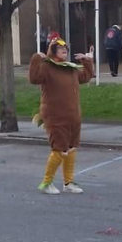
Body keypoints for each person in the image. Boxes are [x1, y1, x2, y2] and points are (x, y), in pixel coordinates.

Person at [31, 31, 95, 194]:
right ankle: (47, 183)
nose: (64, 49)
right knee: (60, 148)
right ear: (52, 51)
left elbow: (86, 77)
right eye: (60, 48)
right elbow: (33, 78)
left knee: (71, 148)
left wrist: (87, 61)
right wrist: (36, 59)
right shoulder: (47, 67)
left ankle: (68, 183)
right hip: (55, 116)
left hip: (73, 116)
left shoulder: (70, 69)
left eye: (65, 48)